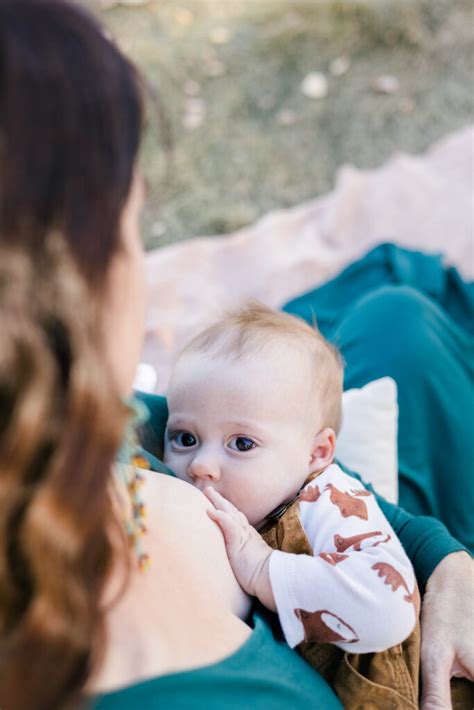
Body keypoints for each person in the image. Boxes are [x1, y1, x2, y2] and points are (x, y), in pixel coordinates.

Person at [0, 2, 471, 710]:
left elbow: (325, 473)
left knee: (396, 313)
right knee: (411, 327)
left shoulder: (85, 424)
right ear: (79, 280)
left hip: (370, 526)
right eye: (134, 227)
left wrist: (449, 562)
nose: (200, 460)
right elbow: (379, 608)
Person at [163, 302, 422, 707]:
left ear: (316, 453)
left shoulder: (330, 499)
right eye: (185, 437)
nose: (200, 465)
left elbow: (392, 610)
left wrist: (265, 568)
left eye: (242, 443)